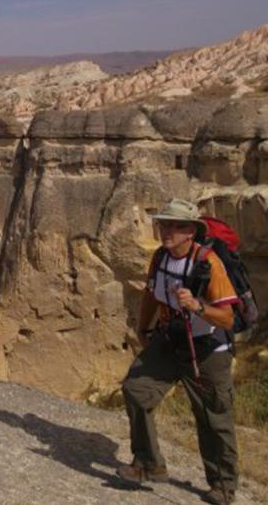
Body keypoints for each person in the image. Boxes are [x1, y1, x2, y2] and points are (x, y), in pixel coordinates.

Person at [117, 199, 239, 505]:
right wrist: (143, 329)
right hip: (172, 340)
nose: (168, 231)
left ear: (191, 233)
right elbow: (150, 294)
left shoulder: (209, 264)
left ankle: (223, 486)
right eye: (164, 224)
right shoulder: (160, 257)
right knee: (136, 389)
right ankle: (149, 463)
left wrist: (197, 305)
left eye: (176, 226)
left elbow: (228, 318)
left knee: (212, 418)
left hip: (208, 350)